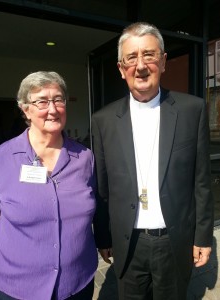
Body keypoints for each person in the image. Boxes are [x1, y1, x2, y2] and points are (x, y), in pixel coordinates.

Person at [91, 22, 214, 300]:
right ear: (122, 69)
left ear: (163, 61)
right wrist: (103, 237)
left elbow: (202, 181)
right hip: (128, 243)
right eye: (131, 58)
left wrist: (203, 237)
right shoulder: (103, 120)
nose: (141, 66)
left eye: (149, 55)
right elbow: (102, 185)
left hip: (174, 242)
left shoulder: (191, 110)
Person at [0, 71, 98, 300]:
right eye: (41, 101)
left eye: (58, 99)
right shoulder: (0, 158)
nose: (52, 109)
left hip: (77, 283)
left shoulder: (84, 158)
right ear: (25, 109)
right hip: (16, 288)